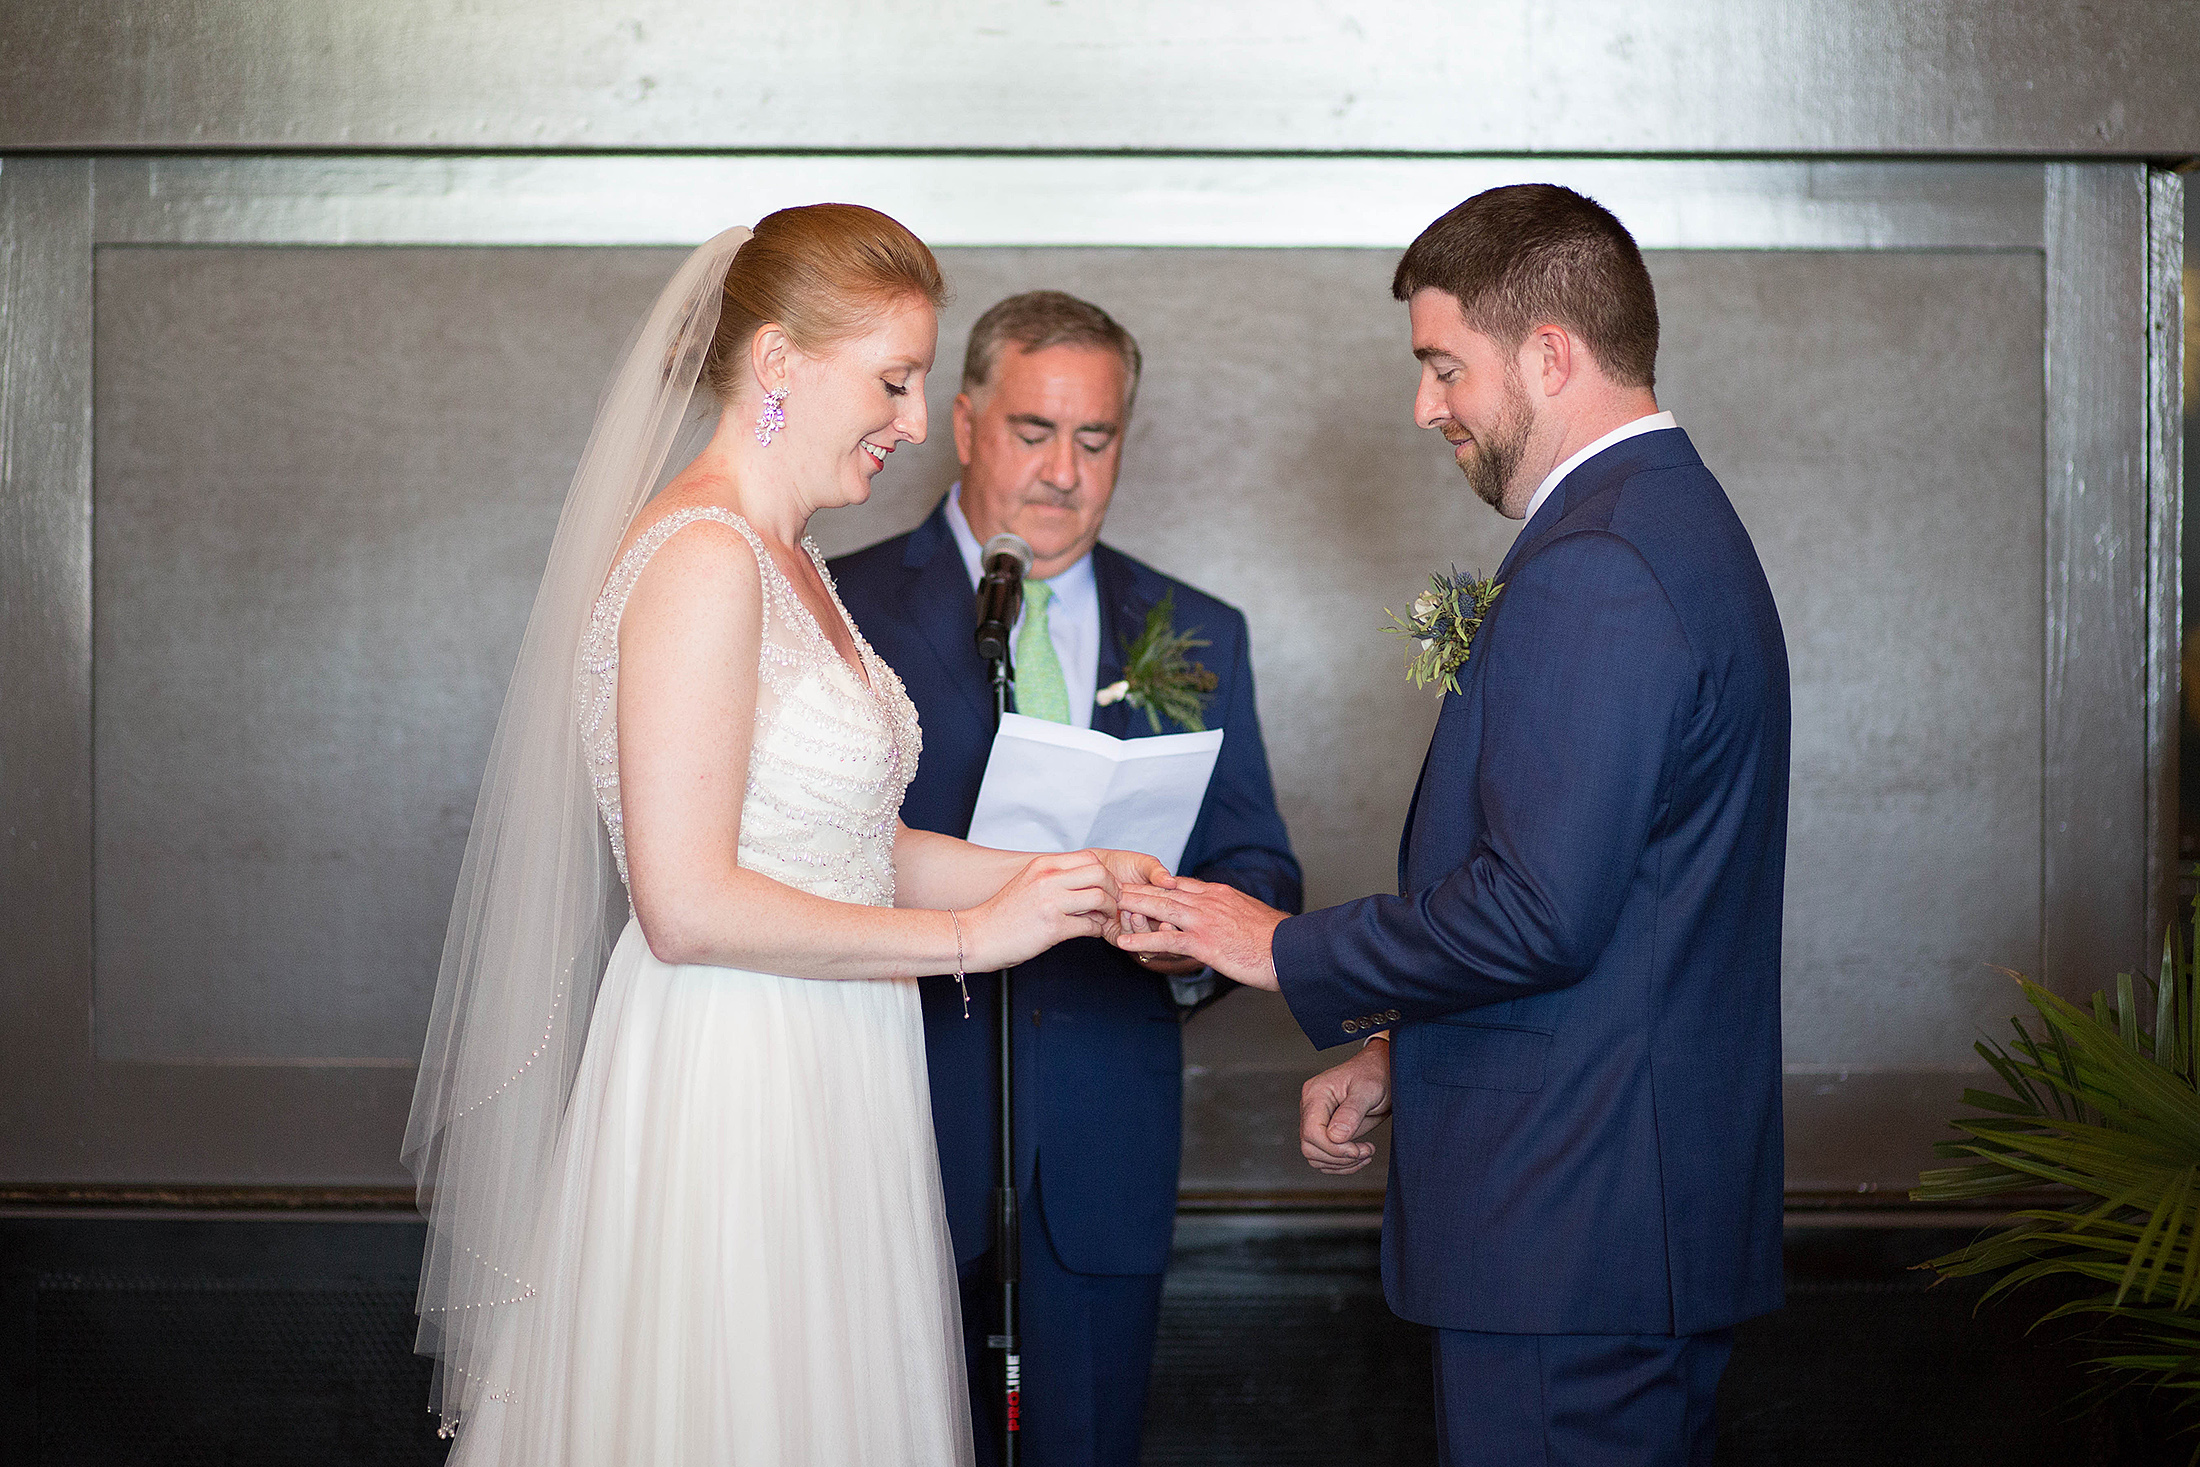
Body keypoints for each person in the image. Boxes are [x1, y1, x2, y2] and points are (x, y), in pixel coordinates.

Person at [403, 206, 1168, 1466]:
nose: (918, 422)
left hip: (835, 1044)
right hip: (736, 1064)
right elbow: (686, 902)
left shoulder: (791, 560)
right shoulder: (702, 557)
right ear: (775, 366)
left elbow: (856, 843)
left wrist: (1066, 880)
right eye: (894, 380)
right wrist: (977, 935)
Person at [1113, 185, 1790, 1466]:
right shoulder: (1669, 526)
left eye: (1443, 367)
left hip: (1566, 1233)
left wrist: (1283, 948)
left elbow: (1539, 910)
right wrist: (1399, 1055)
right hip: (1620, 1218)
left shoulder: (1599, 563)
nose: (1426, 407)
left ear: (1549, 354)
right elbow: (1621, 902)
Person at [832, 290, 1301, 1467]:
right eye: (1035, 432)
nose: (1062, 471)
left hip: (1101, 1132)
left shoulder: (1196, 628)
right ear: (967, 420)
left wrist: (1182, 936)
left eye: (1095, 440)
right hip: (892, 1107)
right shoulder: (834, 602)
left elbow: (1256, 856)